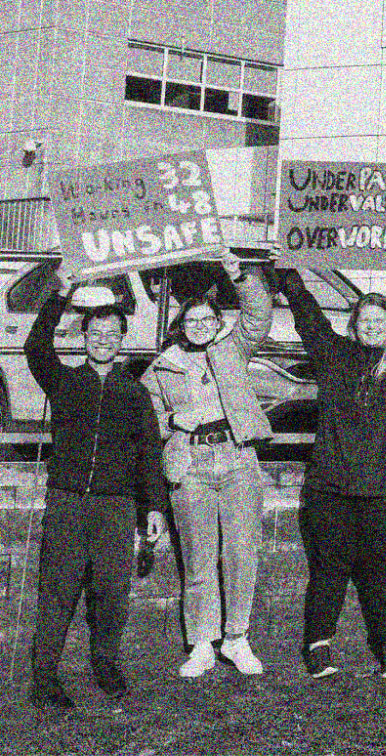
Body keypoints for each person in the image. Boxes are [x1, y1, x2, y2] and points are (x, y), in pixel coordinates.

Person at [270, 261, 386, 678]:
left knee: (383, 565)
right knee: (329, 566)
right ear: (353, 326)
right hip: (331, 486)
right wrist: (289, 273)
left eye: (379, 319)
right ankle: (318, 643)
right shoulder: (333, 354)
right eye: (364, 319)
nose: (371, 326)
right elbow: (308, 316)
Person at [26, 271, 168, 709]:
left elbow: (148, 454)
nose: (103, 339)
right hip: (67, 501)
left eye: (111, 333)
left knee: (111, 592)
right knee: (59, 589)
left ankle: (104, 662)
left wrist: (155, 509)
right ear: (83, 336)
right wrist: (61, 291)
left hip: (116, 507)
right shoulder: (64, 381)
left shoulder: (135, 393)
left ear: (122, 339)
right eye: (95, 332)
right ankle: (45, 676)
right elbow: (35, 347)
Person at [141, 255, 273, 678]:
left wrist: (239, 275)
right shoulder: (161, 367)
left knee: (241, 551)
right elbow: (144, 424)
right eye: (192, 320)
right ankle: (201, 642)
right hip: (190, 463)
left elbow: (257, 315)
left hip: (237, 458)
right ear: (180, 325)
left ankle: (236, 639)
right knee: (198, 558)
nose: (200, 326)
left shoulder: (231, 349)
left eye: (207, 319)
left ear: (218, 323)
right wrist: (172, 422)